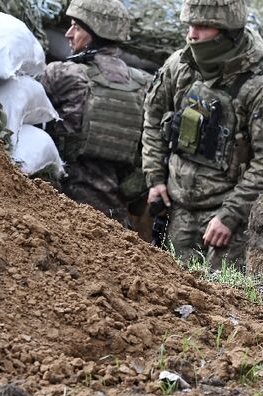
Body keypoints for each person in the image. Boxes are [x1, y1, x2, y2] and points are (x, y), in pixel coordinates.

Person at [141, 0, 263, 269]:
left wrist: (230, 215)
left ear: (226, 32)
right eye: (190, 26)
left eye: (202, 27)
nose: (192, 35)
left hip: (226, 221)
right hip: (176, 210)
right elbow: (153, 119)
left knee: (220, 300)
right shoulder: (179, 66)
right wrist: (155, 178)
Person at [41, 0, 152, 232]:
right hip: (116, 216)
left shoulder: (64, 74)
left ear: (95, 33)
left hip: (64, 207)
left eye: (77, 27)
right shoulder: (146, 84)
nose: (69, 34)